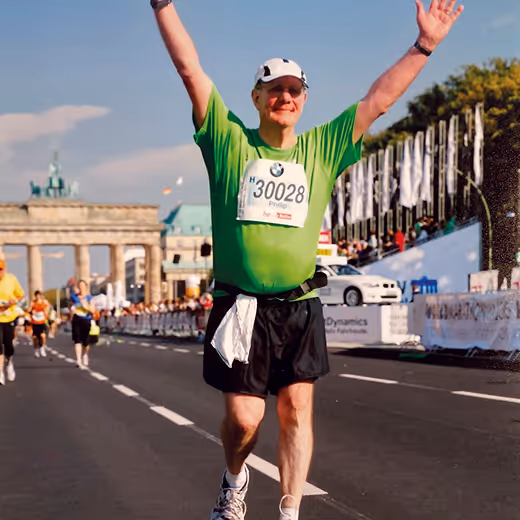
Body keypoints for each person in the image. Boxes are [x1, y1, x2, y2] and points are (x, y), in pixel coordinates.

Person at [152, 0, 463, 518]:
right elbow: (190, 69)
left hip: (299, 305)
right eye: (274, 89)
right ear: (255, 97)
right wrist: (163, 5)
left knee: (297, 408)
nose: (285, 97)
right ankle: (234, 481)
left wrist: (425, 45)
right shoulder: (228, 141)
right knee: (245, 421)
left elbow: (377, 101)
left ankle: (291, 511)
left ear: (303, 100)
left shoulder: (322, 147)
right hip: (241, 307)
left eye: (294, 90)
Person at [0, 259, 24, 385]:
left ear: (5, 269)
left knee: (8, 345)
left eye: (1, 270)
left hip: (9, 316)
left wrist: (14, 301)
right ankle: (0, 373)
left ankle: (9, 362)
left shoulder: (11, 279)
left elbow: (20, 295)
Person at [69, 280, 96, 369]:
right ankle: (78, 359)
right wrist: (72, 312)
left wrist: (86, 306)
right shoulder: (73, 297)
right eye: (79, 285)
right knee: (77, 340)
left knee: (85, 342)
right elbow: (70, 306)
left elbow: (92, 310)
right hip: (76, 319)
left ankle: (85, 354)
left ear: (85, 287)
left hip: (86, 319)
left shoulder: (89, 298)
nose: (81, 287)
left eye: (82, 285)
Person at [27, 291, 50, 358]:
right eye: (36, 296)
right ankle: (36, 350)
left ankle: (42, 348)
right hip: (35, 321)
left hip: (42, 321)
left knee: (43, 335)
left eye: (39, 295)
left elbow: (48, 308)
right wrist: (31, 310)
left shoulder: (44, 302)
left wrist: (47, 311)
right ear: (35, 296)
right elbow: (28, 310)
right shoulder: (33, 302)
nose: (38, 297)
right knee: (35, 337)